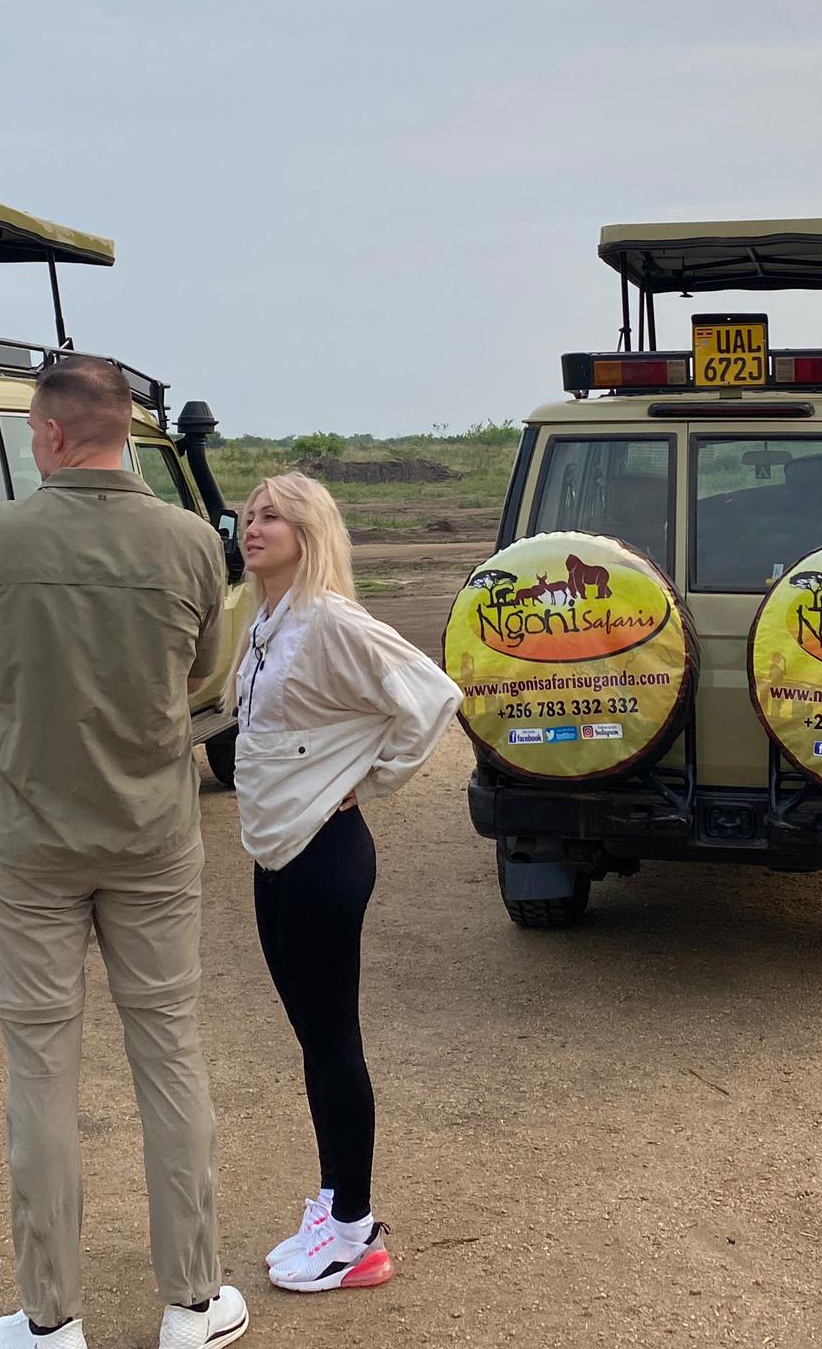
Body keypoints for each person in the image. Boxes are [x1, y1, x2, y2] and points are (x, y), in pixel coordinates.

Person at [0, 355, 245, 1349]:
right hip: (152, 834)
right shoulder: (191, 539)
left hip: (28, 837)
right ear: (122, 429)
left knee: (40, 1069)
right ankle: (192, 1304)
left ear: (50, 433)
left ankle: (49, 1320)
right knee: (167, 1051)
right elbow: (200, 669)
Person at [232, 473, 459, 1296]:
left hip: (325, 853)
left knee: (334, 1044)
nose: (253, 527)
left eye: (273, 518)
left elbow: (431, 698)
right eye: (249, 514)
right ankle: (335, 1202)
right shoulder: (266, 620)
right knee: (312, 1041)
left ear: (310, 532)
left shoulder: (329, 620)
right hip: (277, 852)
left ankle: (358, 1235)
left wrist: (371, 778)